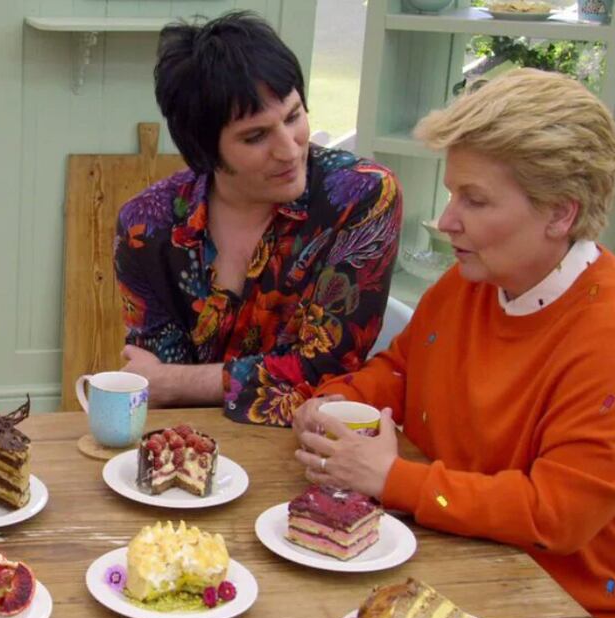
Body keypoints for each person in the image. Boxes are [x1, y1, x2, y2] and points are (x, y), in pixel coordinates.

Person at [291, 69, 615, 618]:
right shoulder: (472, 281)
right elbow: (402, 372)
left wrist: (395, 479)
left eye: (473, 200)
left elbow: (555, 515)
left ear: (560, 214)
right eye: (452, 194)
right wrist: (335, 401)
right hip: (468, 562)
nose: (446, 220)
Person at [114, 10, 401, 426]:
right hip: (188, 452)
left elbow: (328, 370)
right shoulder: (146, 225)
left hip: (312, 450)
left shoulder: (362, 196)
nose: (289, 149)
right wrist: (171, 384)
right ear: (204, 151)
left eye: (293, 116)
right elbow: (153, 378)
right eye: (255, 136)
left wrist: (179, 382)